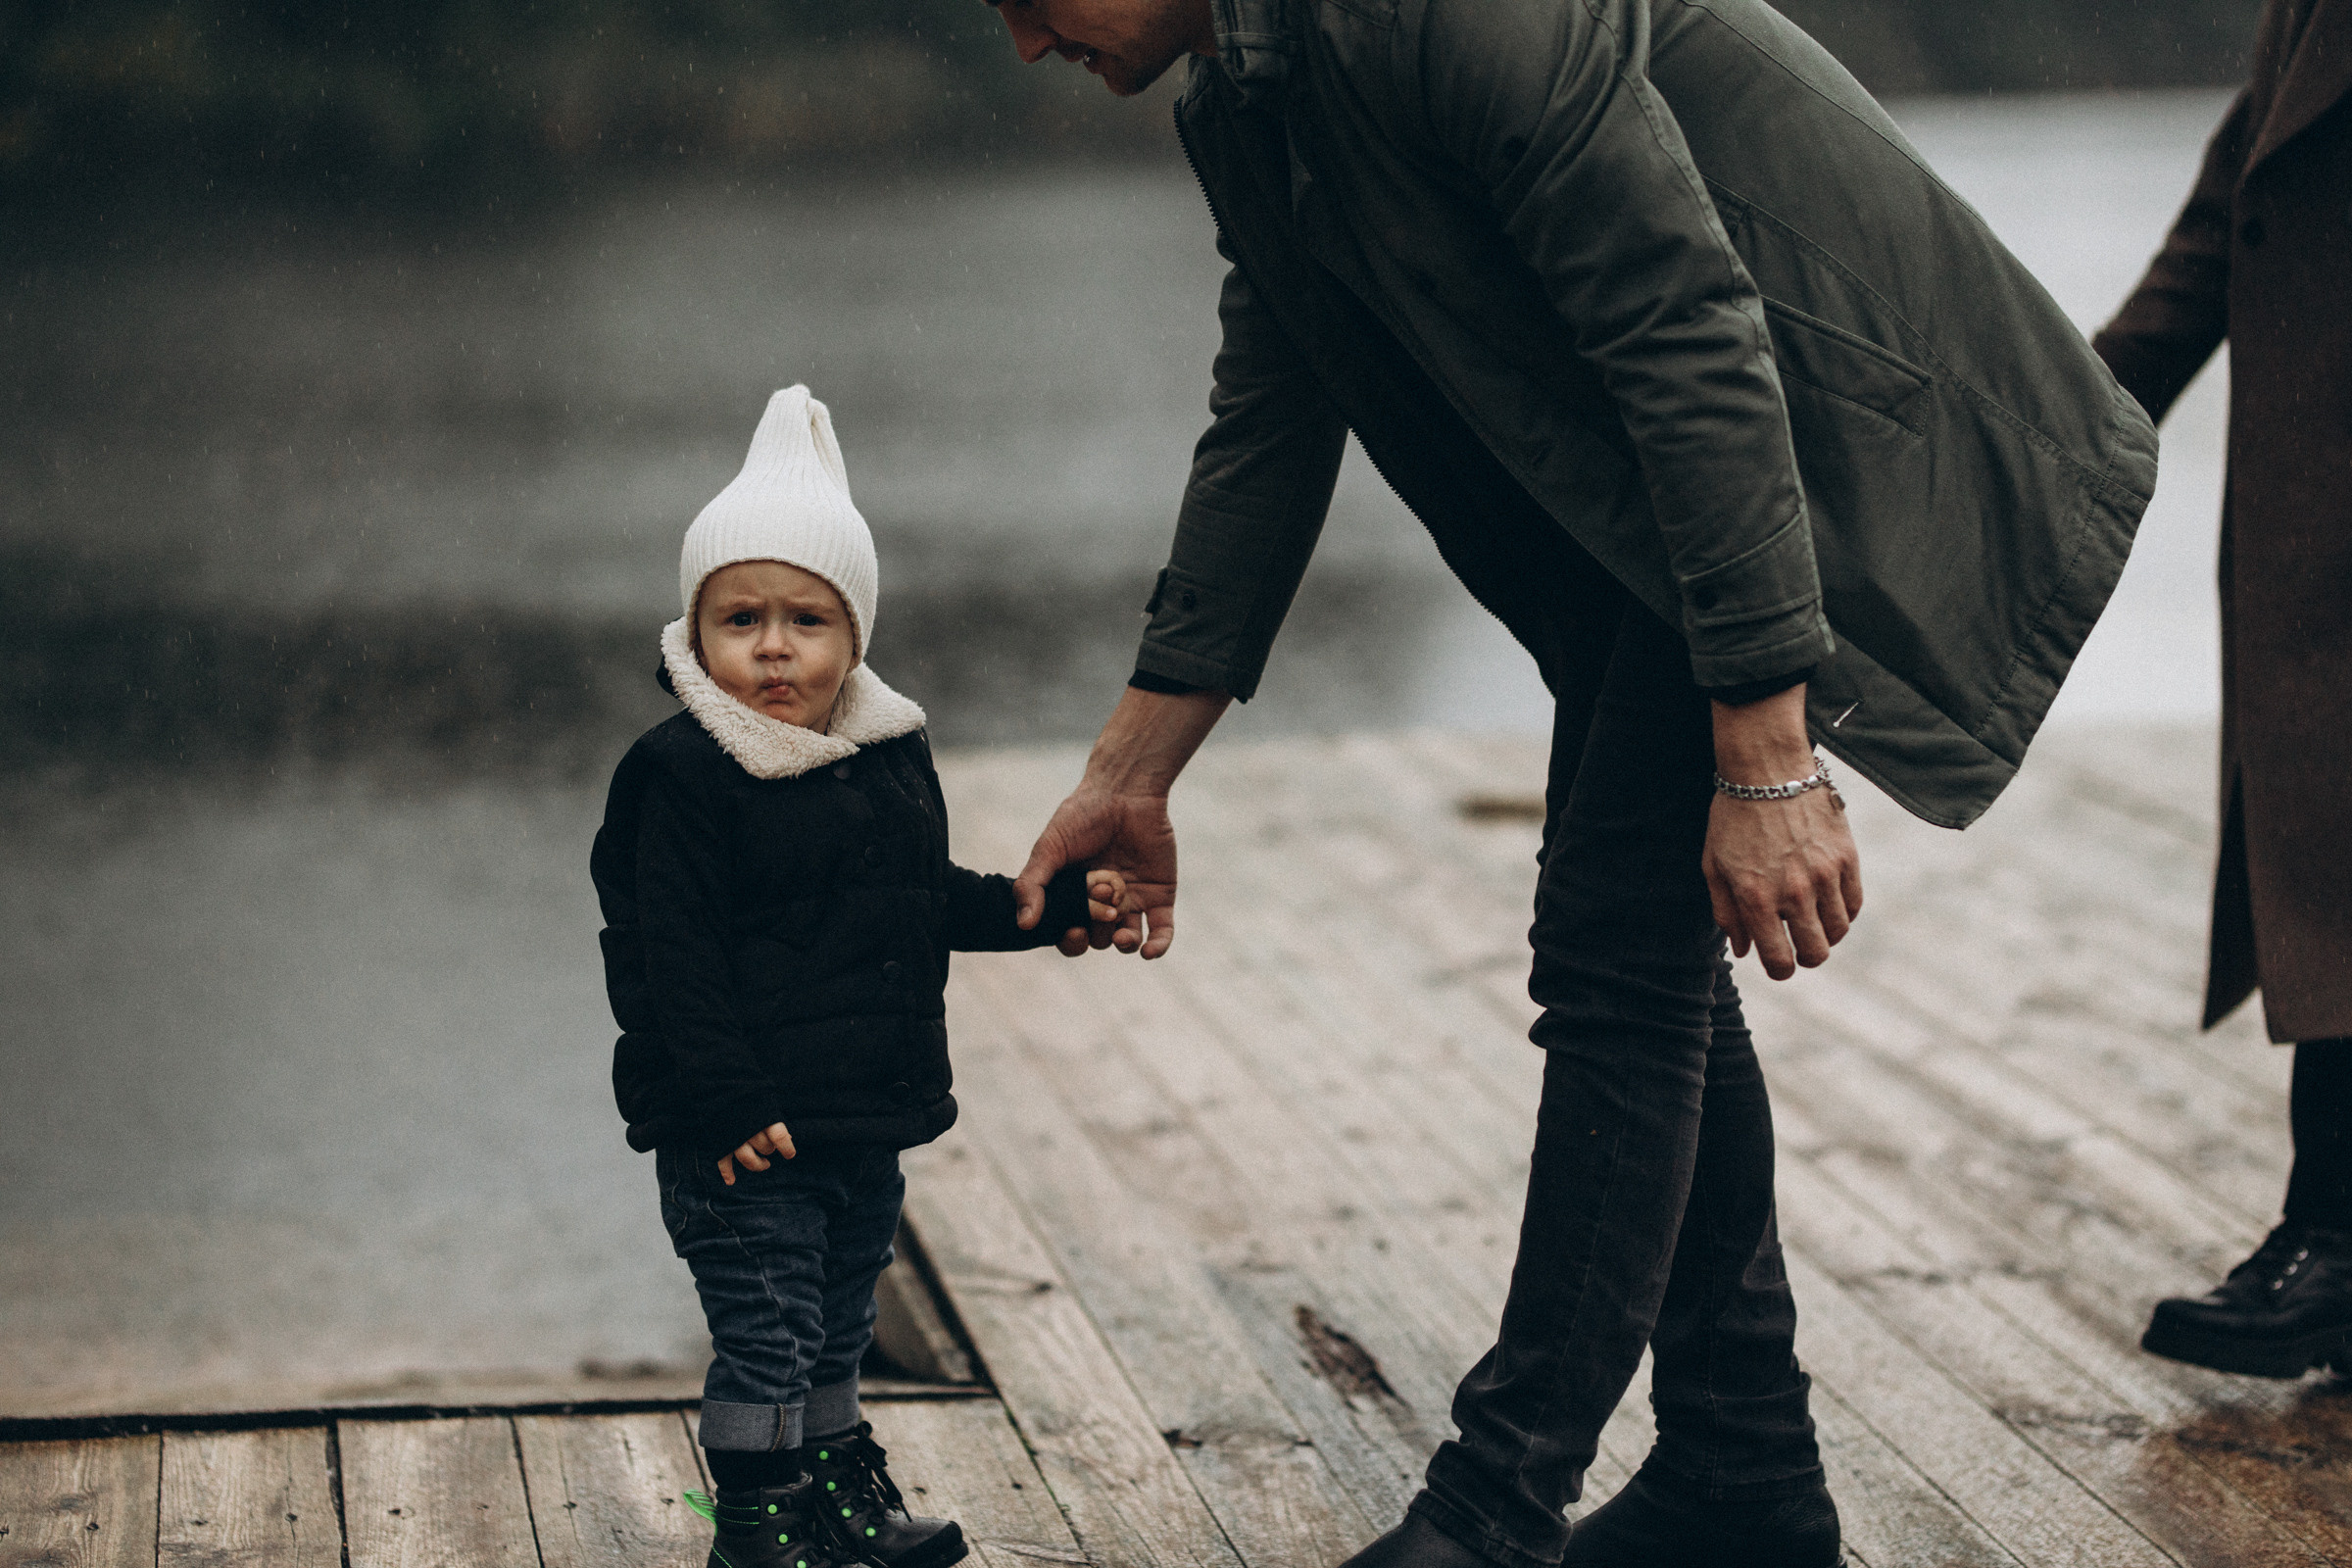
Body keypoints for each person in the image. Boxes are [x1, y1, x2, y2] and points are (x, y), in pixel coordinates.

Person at [986, 2, 2157, 1565]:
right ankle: (1741, 1475)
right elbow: (1275, 412)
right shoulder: (1246, 97)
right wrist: (1135, 771)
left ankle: (1492, 1513)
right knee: (1639, 958)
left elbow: (1686, 324)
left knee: (1615, 964)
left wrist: (1766, 741)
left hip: (1797, 438)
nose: (1019, 41)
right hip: (1660, 506)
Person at [590, 386, 1121, 1568]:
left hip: (854, 1117)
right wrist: (720, 1102)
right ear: (697, 629)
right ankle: (758, 1530)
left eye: (806, 620)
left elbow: (916, 900)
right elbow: (666, 959)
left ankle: (836, 1505)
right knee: (768, 1332)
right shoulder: (682, 773)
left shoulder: (881, 752)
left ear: (855, 636)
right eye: (740, 619)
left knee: (836, 1323)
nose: (773, 647)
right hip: (741, 1131)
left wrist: (1049, 911)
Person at [2092, 0, 2352, 1381]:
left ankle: (2335, 1246)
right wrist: (2077, 416)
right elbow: (2233, 201)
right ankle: (2334, 1238)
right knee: (2334, 856)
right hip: (2319, 488)